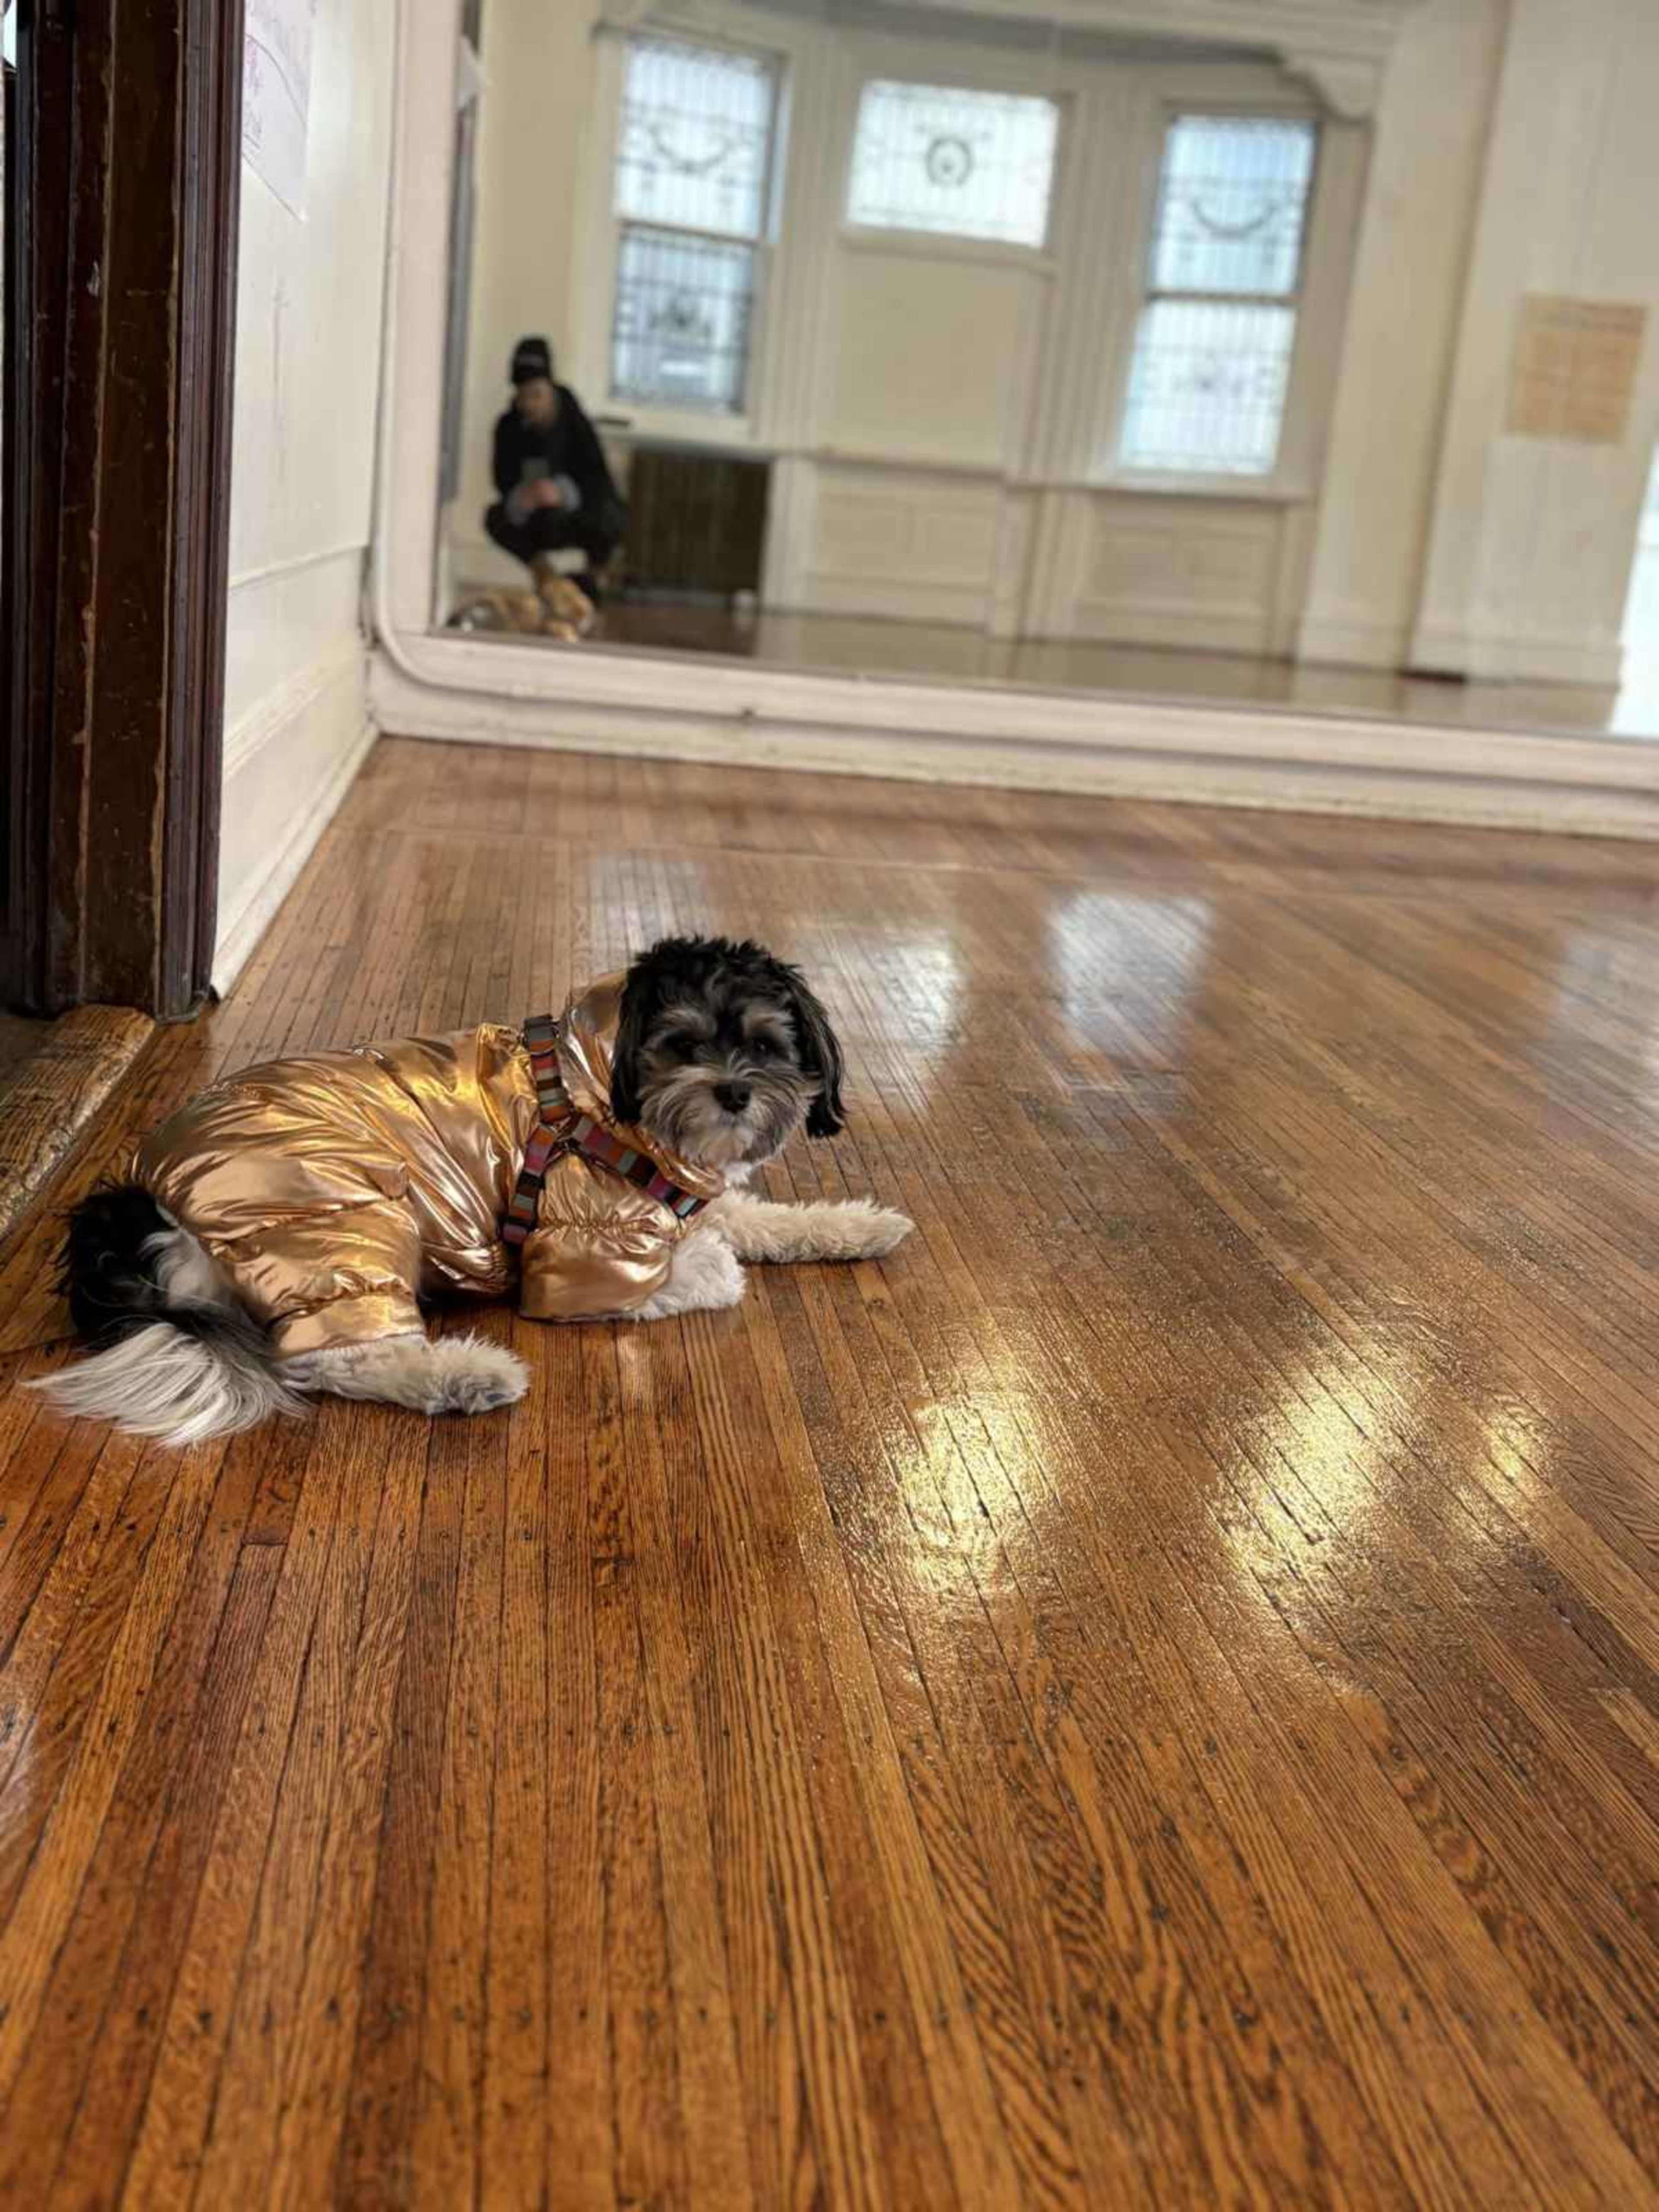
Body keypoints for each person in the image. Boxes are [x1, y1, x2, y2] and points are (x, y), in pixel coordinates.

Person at [484, 336, 627, 599]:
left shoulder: (575, 422)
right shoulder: (508, 427)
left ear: (550, 390)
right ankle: (545, 577)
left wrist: (564, 493)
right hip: (535, 518)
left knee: (613, 514)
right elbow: (502, 481)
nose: (530, 404)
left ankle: (594, 579)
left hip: (575, 514)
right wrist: (521, 498)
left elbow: (598, 479)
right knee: (495, 517)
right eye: (523, 396)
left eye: (537, 394)